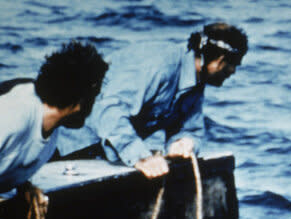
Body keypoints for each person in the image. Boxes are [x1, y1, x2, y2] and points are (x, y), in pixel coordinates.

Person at [56, 22, 248, 179]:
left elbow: (191, 129)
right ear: (221, 60)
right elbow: (109, 110)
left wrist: (183, 142)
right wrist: (142, 158)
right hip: (65, 147)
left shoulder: (195, 82)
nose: (233, 72)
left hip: (104, 157)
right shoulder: (160, 65)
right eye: (234, 65)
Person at [0, 41, 108, 193]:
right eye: (95, 96)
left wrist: (25, 188)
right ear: (80, 101)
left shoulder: (50, 129)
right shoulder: (16, 113)